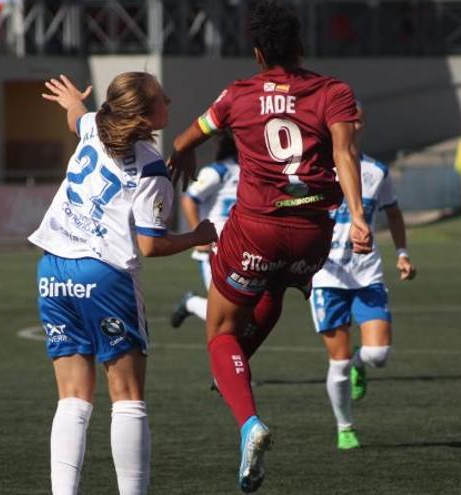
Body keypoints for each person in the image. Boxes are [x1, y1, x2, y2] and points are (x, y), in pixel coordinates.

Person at [167, 1, 372, 491]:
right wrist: (360, 218)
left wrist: (181, 153)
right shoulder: (333, 91)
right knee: (275, 288)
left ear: (258, 53)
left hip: (256, 227)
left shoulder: (237, 95)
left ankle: (248, 420)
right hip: (313, 233)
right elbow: (345, 154)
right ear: (300, 46)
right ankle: (233, 374)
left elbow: (186, 137)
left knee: (219, 333)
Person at [29, 72, 217, 495]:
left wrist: (72, 101)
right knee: (127, 396)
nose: (169, 98)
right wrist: (199, 237)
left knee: (73, 398)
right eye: (160, 97)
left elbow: (77, 117)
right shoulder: (151, 166)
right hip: (103, 274)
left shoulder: (96, 126)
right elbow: (151, 246)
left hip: (53, 267)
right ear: (146, 115)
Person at [309, 107, 416, 450]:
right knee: (337, 362)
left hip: (366, 272)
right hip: (326, 276)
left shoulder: (376, 172)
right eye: (346, 119)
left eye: (357, 119)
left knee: (378, 353)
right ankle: (345, 427)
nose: (352, 125)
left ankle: (361, 362)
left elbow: (394, 214)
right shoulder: (315, 170)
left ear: (363, 125)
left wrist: (402, 253)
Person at [170, 131, 240, 328]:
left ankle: (192, 303)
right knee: (223, 315)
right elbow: (189, 198)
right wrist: (198, 235)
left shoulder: (255, 170)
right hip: (216, 248)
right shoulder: (218, 171)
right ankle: (191, 303)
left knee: (240, 313)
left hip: (243, 247)